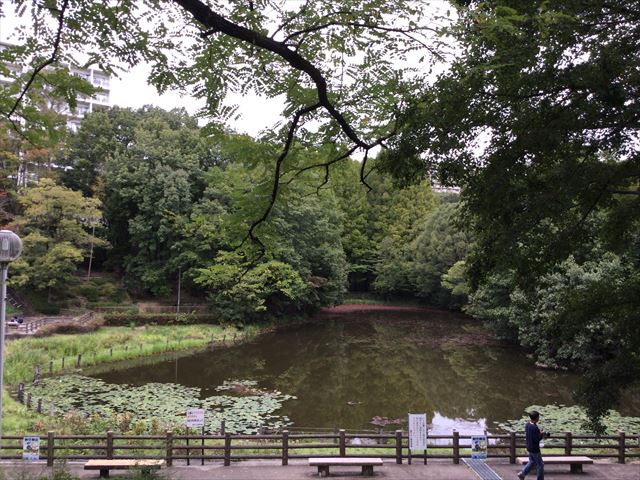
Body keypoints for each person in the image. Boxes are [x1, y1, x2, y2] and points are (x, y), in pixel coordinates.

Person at [517, 410, 545, 480]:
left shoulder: (527, 424)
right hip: (535, 449)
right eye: (538, 417)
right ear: (536, 418)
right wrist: (542, 434)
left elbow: (532, 435)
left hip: (529, 447)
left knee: (532, 461)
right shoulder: (534, 427)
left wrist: (539, 432)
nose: (539, 418)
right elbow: (536, 439)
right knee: (540, 465)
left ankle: (522, 474)